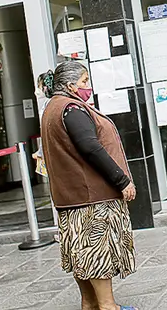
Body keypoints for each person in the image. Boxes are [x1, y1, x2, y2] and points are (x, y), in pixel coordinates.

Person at [39, 61, 138, 310]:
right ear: (71, 85)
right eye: (84, 81)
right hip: (90, 198)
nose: (88, 86)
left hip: (71, 198)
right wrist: (121, 180)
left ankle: (92, 304)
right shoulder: (71, 109)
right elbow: (91, 147)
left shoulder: (53, 107)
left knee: (82, 254)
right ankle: (108, 306)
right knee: (97, 254)